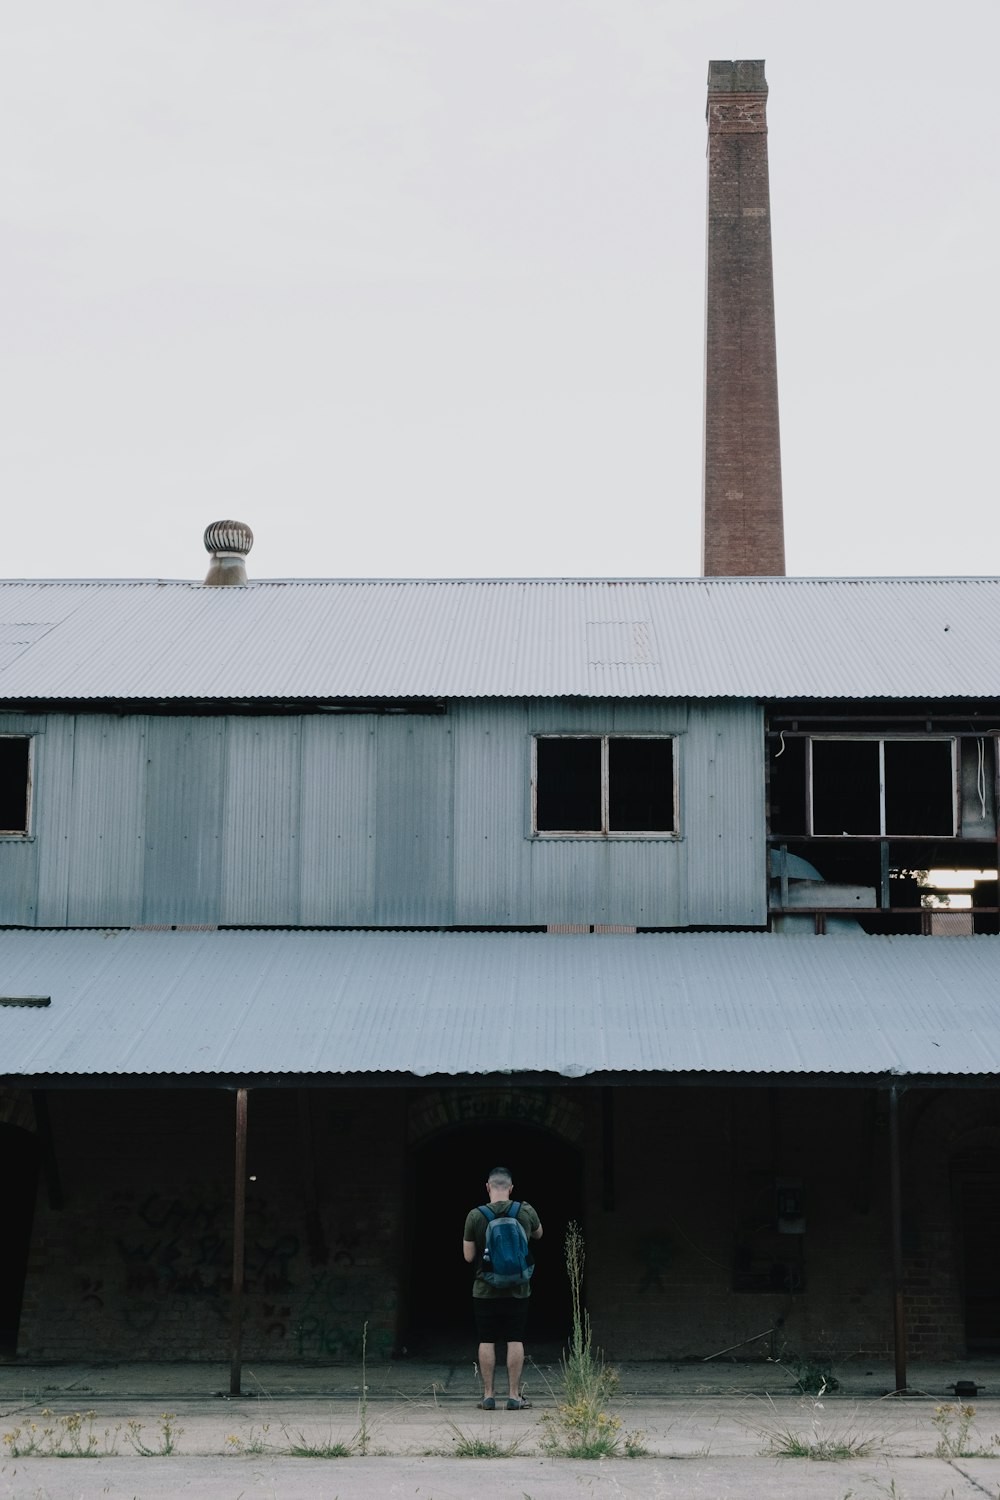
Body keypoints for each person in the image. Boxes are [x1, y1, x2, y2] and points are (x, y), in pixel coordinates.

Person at [463, 1165, 543, 1411]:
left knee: (486, 1340)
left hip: (484, 1289)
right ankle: (514, 1396)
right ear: (511, 1188)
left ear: (487, 1187)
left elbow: (468, 1257)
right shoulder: (525, 1210)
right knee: (515, 1339)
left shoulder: (475, 1215)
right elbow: (540, 1235)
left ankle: (488, 1396)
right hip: (518, 1288)